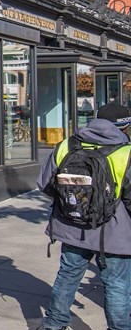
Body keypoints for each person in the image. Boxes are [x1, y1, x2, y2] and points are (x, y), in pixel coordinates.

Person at [39, 103, 131, 330]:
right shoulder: (126, 152)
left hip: (72, 227)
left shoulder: (67, 145)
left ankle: (54, 324)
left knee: (67, 276)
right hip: (113, 235)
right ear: (125, 126)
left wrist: (73, 203)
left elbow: (44, 183)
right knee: (116, 285)